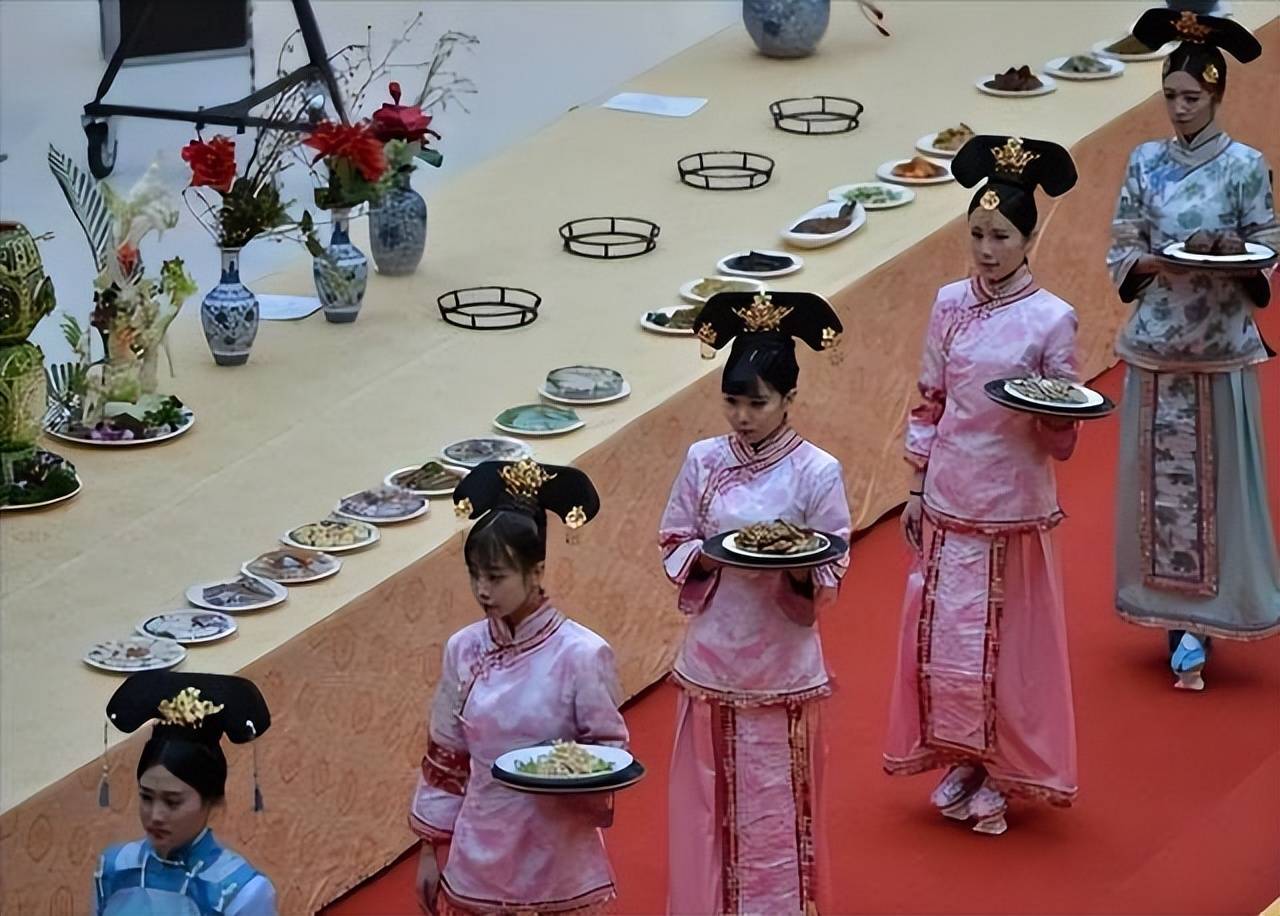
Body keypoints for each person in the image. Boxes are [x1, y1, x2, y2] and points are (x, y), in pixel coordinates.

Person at [883, 136, 1083, 834]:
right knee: (946, 641)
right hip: (948, 496)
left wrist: (1052, 411)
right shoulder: (947, 304)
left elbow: (1064, 421)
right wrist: (916, 488)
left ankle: (1004, 768)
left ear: (1029, 239)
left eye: (1001, 236)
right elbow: (929, 401)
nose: (987, 249)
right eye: (977, 234)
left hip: (1013, 502)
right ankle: (962, 758)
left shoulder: (1052, 317)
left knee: (1007, 645)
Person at [658, 291, 852, 914]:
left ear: (790, 399)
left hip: (781, 661)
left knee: (776, 804)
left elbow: (833, 558)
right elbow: (674, 538)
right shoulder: (703, 460)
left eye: (758, 403)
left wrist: (794, 565)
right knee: (706, 807)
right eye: (732, 402)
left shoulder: (817, 472)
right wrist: (711, 556)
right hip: (714, 654)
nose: (742, 417)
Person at [1108, 8, 1280, 690]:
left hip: (1219, 349)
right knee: (1158, 492)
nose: (1179, 109)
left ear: (1216, 94)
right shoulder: (1143, 162)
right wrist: (1155, 262)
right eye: (1170, 96)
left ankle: (1213, 617)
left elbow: (1268, 244)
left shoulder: (1246, 166)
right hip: (1156, 346)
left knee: (1221, 491)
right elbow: (1123, 245)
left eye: (1191, 97)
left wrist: (1234, 253)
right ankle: (1174, 621)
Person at [409, 458, 628, 915]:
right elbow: (446, 757)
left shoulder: (582, 654)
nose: (482, 590)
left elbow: (609, 750)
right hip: (478, 852)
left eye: (496, 576)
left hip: (556, 852)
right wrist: (431, 849)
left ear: (536, 571)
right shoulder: (463, 648)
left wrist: (566, 773)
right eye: (475, 575)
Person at [95, 672, 276, 915]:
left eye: (172, 802)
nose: (155, 815)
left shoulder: (239, 891)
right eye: (146, 797)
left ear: (211, 802)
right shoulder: (114, 867)